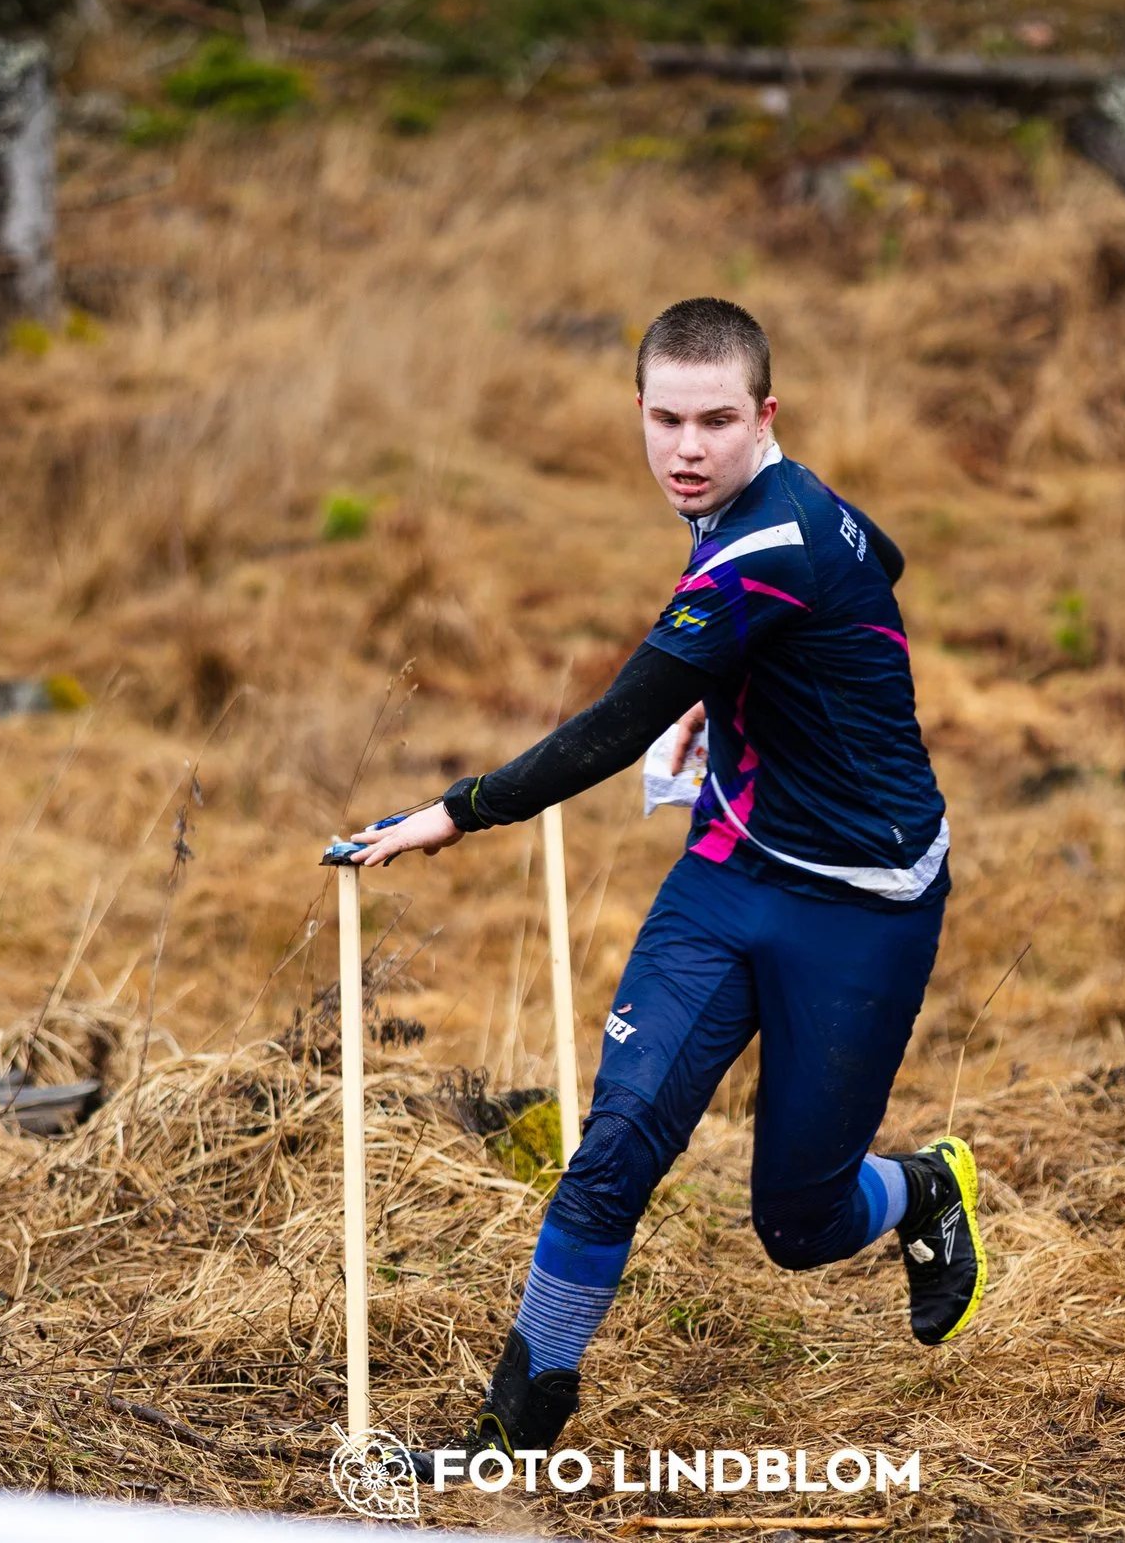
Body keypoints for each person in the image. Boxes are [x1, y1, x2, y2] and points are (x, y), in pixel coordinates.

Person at [346, 297, 986, 1467]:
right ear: (638, 412)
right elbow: (878, 557)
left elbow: (608, 728)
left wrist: (453, 813)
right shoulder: (777, 510)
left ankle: (924, 1189)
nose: (686, 447)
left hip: (864, 905)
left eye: (715, 419)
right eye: (664, 418)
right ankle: (517, 1428)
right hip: (728, 867)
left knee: (799, 1223)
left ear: (765, 416)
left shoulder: (764, 547)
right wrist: (732, 689)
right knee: (614, 1147)